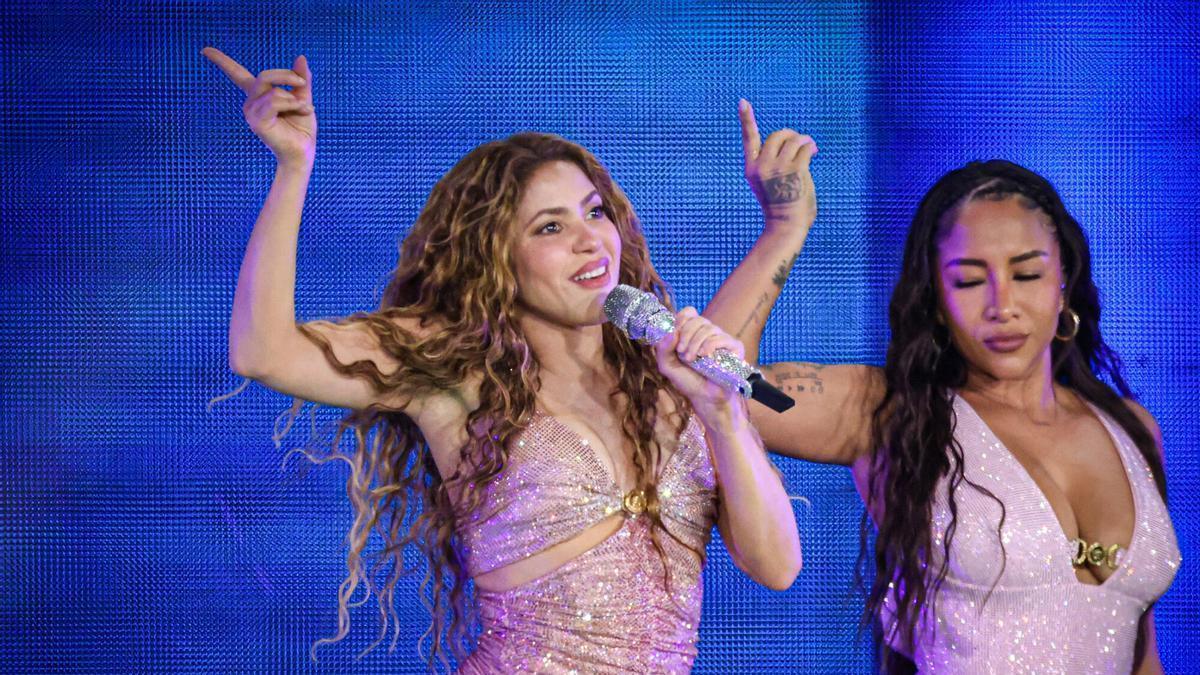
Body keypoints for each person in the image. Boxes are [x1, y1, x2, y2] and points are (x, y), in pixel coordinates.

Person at [201, 48, 801, 673]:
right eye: (550, 227)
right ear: (496, 259)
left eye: (595, 212)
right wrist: (292, 167)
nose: (590, 240)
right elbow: (264, 353)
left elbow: (778, 567)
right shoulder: (457, 374)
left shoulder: (674, 382)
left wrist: (723, 415)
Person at [704, 102, 1180, 673]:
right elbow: (715, 377)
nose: (1003, 305)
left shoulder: (1131, 429)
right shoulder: (889, 412)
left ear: (1064, 284)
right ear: (935, 301)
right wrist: (784, 228)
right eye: (970, 281)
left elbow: (1143, 653)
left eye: (1027, 274)